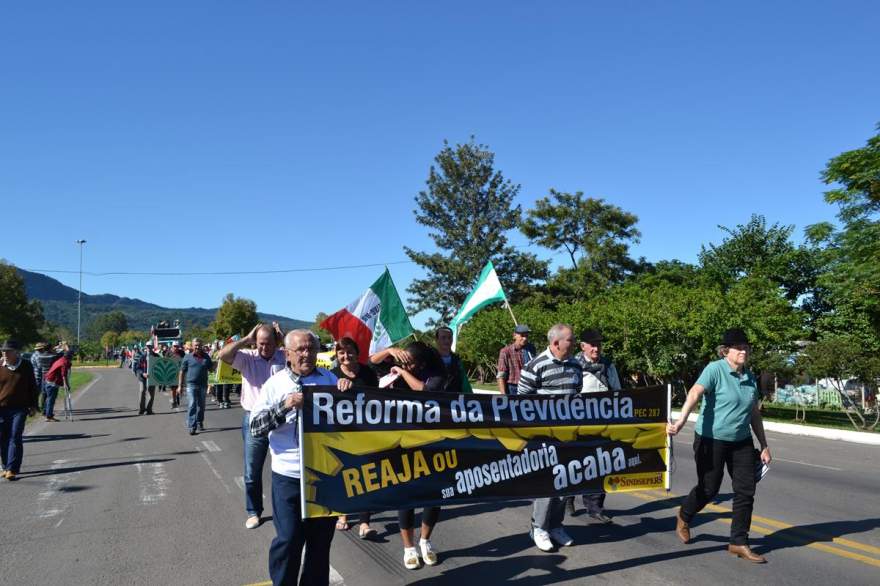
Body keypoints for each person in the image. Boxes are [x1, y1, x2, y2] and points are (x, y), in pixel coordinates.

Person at [249, 329, 352, 586]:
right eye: (301, 350)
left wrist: (346, 391)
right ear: (288, 353)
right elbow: (255, 427)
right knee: (289, 540)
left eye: (311, 349)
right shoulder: (275, 384)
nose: (307, 354)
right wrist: (284, 406)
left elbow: (351, 420)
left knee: (319, 544)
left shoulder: (330, 379)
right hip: (289, 476)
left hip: (324, 475)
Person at [667, 328, 772, 564]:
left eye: (746, 347)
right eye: (738, 347)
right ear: (726, 350)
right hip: (710, 439)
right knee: (709, 488)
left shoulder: (749, 377)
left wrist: (764, 444)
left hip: (741, 442)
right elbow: (695, 392)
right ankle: (684, 515)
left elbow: (754, 413)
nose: (744, 351)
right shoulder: (715, 369)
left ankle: (738, 541)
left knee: (746, 490)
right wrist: (681, 420)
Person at [371, 341, 446, 569]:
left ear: (421, 363)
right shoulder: (395, 365)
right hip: (401, 442)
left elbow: (425, 391)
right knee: (406, 494)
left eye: (410, 363)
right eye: (403, 361)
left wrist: (402, 371)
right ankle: (409, 548)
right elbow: (370, 362)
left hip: (431, 441)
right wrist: (390, 352)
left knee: (434, 496)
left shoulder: (437, 373)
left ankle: (425, 541)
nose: (405, 365)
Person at [517, 323, 582, 552]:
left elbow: (577, 395)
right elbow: (522, 402)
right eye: (570, 340)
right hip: (544, 437)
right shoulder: (535, 366)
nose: (573, 344)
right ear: (556, 343)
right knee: (547, 484)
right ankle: (539, 527)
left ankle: (556, 525)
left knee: (566, 481)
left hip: (569, 436)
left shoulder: (576, 365)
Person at [219, 323, 286, 530]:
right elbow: (222, 355)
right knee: (251, 471)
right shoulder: (247, 357)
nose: (264, 348)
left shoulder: (284, 356)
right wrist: (246, 340)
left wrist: (283, 341)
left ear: (276, 342)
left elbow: (309, 352)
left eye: (269, 344)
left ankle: (284, 512)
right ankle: (253, 511)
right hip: (254, 419)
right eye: (261, 344)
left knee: (283, 470)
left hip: (281, 419)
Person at [565, 328, 623, 521]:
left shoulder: (608, 365)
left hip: (603, 424)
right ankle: (568, 499)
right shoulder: (573, 365)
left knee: (600, 464)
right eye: (593, 345)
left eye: (599, 344)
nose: (596, 348)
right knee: (574, 464)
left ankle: (595, 507)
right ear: (583, 346)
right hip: (578, 423)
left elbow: (617, 392)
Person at [330, 337, 379, 539]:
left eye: (349, 351)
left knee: (366, 475)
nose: (346, 355)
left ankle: (365, 522)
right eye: (341, 352)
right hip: (341, 432)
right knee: (343, 474)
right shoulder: (331, 375)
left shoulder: (368, 373)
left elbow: (375, 398)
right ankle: (342, 515)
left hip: (365, 431)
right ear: (337, 355)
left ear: (357, 353)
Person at [0, 340, 40, 480]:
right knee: (2, 438)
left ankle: (13, 468)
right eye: (3, 351)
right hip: (2, 408)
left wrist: (34, 405)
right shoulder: (0, 365)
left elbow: (32, 386)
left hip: (20, 408)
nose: (5, 353)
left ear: (16, 352)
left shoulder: (26, 365)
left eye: (8, 351)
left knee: (15, 436)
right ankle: (5, 466)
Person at [178, 338, 213, 435]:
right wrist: (180, 386)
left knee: (201, 405)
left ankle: (199, 421)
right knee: (192, 404)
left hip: (203, 384)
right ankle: (192, 426)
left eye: (199, 345)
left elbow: (211, 370)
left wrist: (211, 384)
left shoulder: (206, 357)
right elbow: (182, 371)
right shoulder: (187, 357)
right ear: (192, 346)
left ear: (201, 346)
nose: (197, 347)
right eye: (195, 345)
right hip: (191, 384)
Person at [496, 324, 536, 394]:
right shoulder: (505, 351)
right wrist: (503, 395)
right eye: (522, 335)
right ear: (514, 335)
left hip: (530, 386)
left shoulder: (531, 349)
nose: (525, 338)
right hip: (513, 388)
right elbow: (501, 375)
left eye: (526, 336)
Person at [434, 326, 472, 393]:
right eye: (443, 337)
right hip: (433, 401)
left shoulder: (457, 361)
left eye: (449, 337)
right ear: (436, 340)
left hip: (454, 401)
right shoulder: (430, 358)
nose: (447, 340)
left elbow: (465, 386)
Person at [42, 350, 73, 422]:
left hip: (48, 380)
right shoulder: (64, 362)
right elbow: (64, 376)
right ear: (70, 357)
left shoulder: (61, 359)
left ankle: (47, 414)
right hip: (52, 382)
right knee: (51, 399)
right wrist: (67, 385)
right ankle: (48, 416)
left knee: (49, 398)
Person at [31, 341, 61, 413]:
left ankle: (43, 408)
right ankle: (42, 409)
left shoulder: (39, 355)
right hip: (43, 375)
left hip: (42, 375)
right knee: (45, 394)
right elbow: (39, 366)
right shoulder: (41, 356)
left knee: (43, 393)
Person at [133, 342, 158, 415]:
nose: (149, 348)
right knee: (142, 391)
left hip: (152, 378)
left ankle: (149, 409)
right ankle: (142, 409)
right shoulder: (142, 357)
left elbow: (160, 365)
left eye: (150, 346)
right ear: (145, 347)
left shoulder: (156, 356)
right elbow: (137, 368)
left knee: (151, 393)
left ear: (152, 347)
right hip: (142, 378)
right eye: (147, 346)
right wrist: (143, 373)